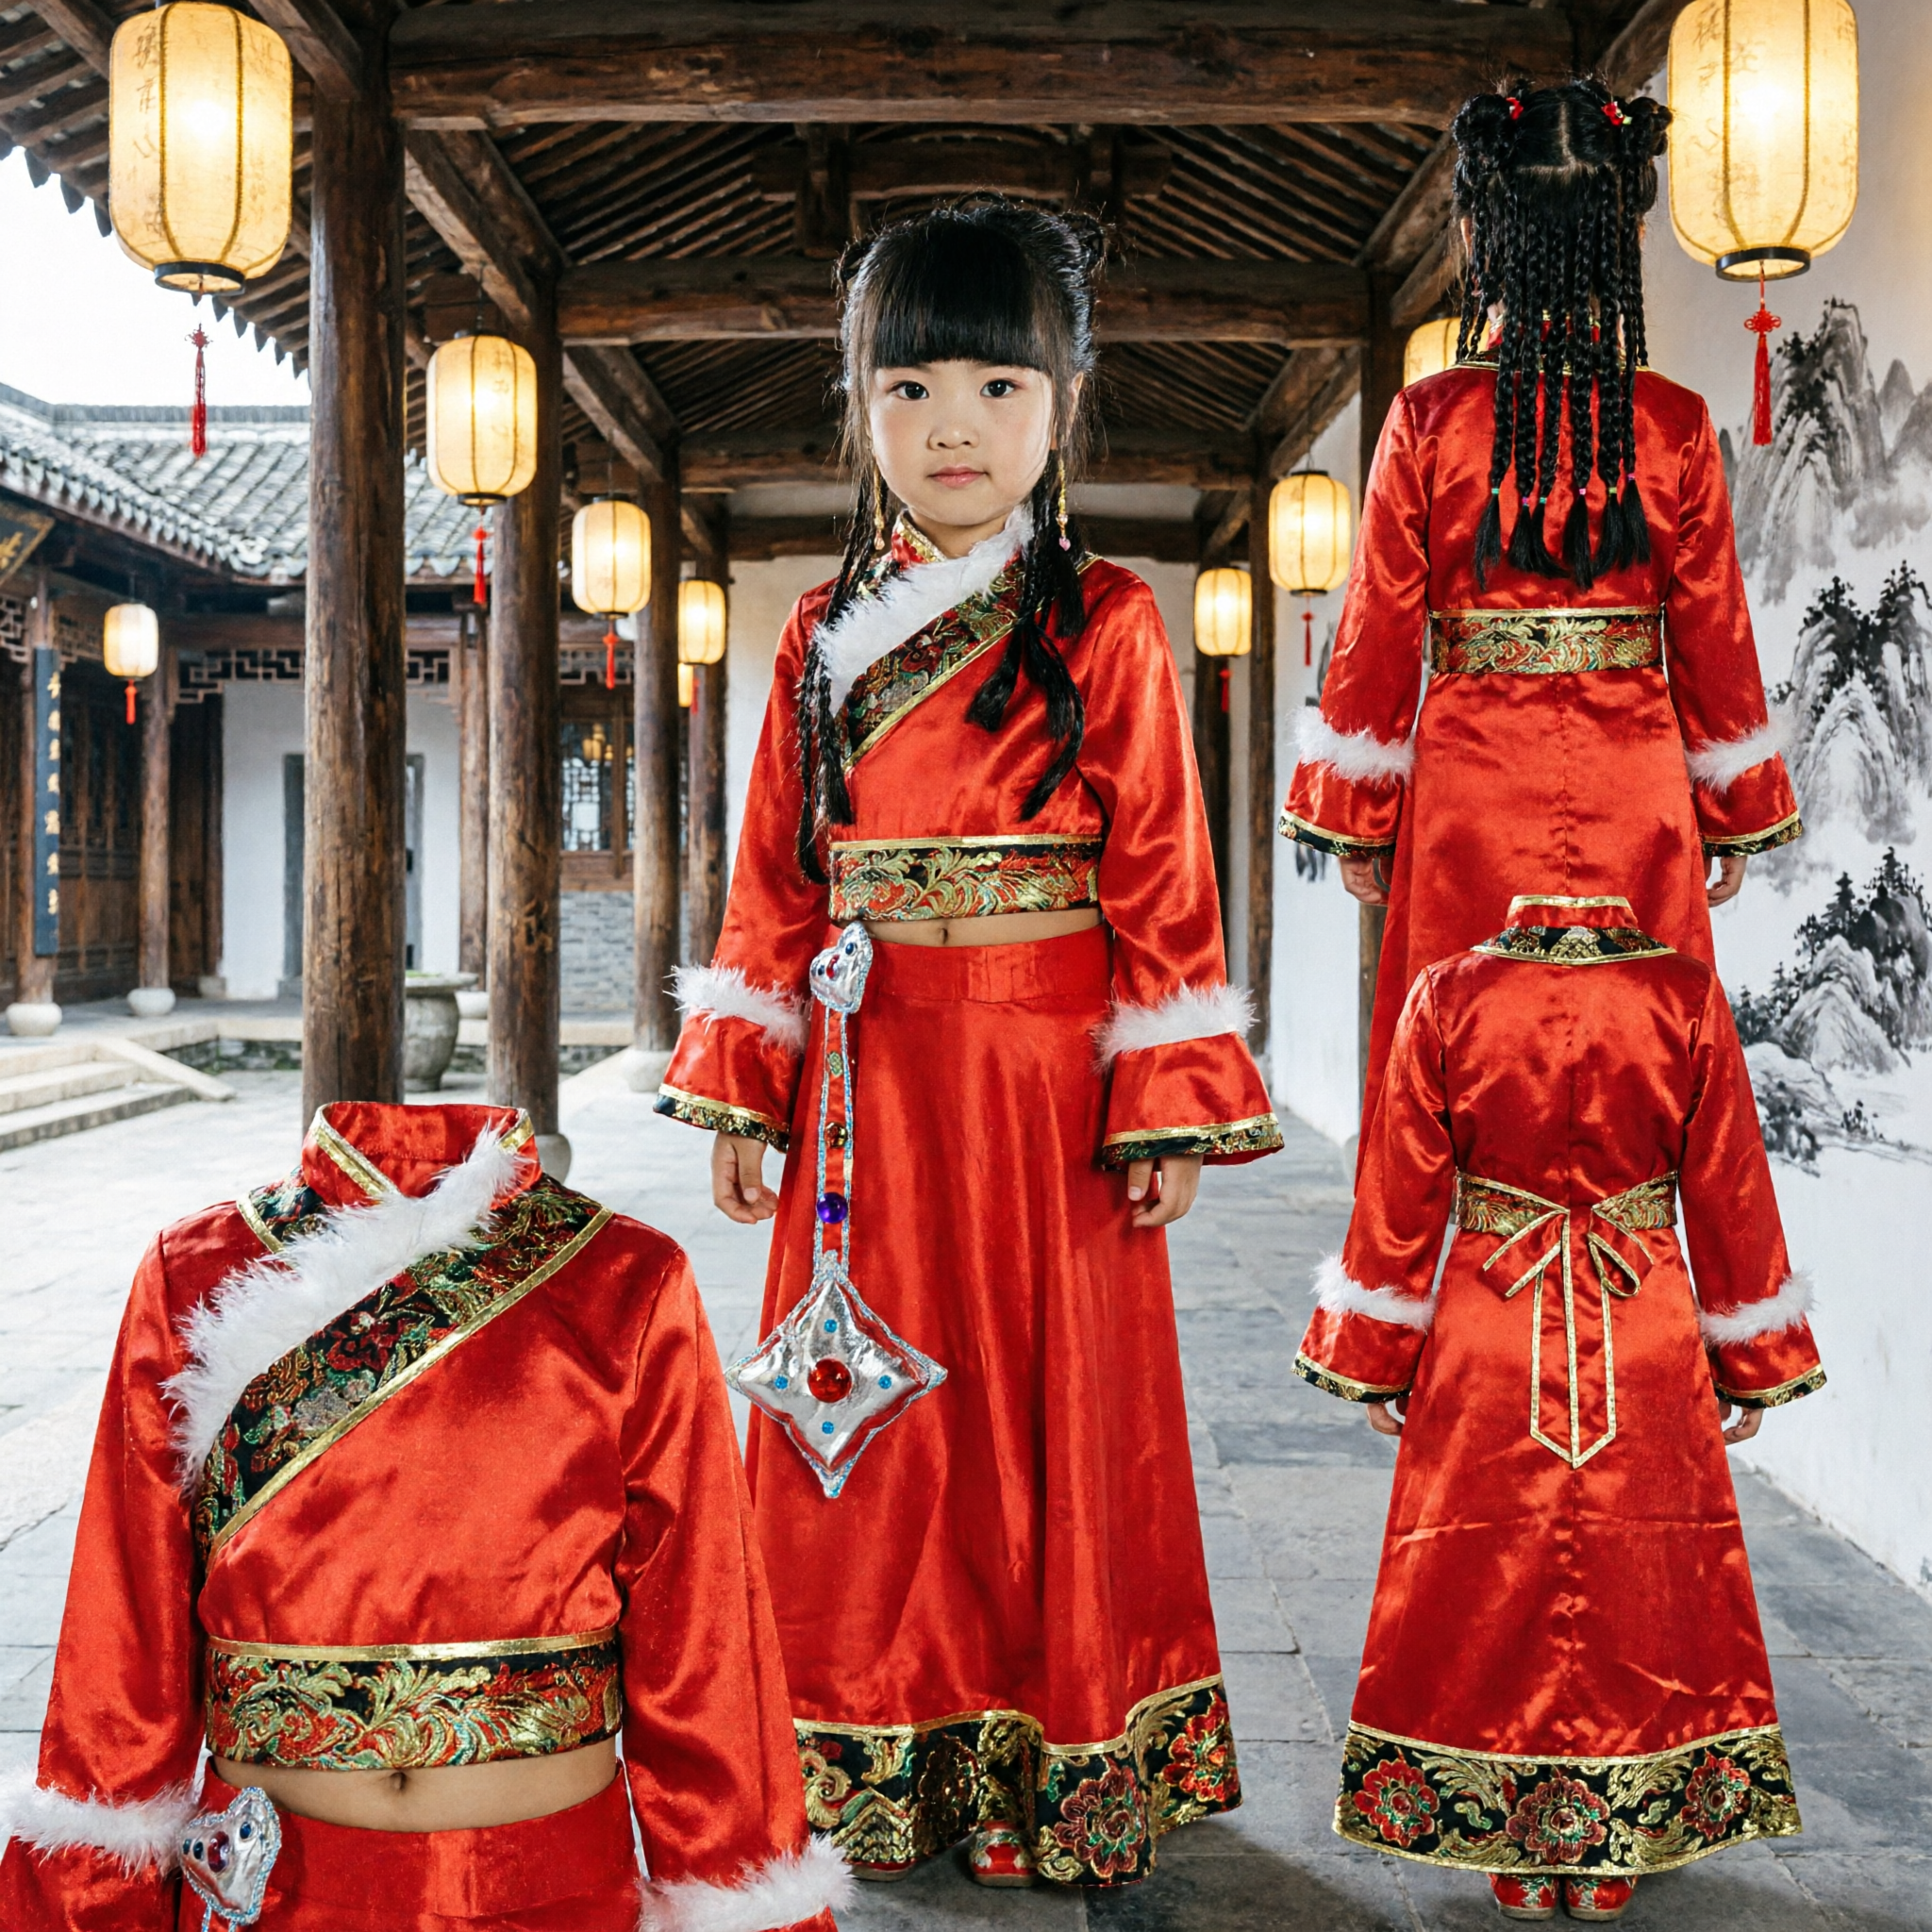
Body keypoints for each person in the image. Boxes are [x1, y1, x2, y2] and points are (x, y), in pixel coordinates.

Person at [657, 200, 1278, 1890]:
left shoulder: (1115, 626)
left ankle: (1047, 1753)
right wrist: (747, 1077)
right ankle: (865, 1751)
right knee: (854, 1426)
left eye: (998, 386)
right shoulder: (808, 644)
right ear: (855, 406)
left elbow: (1162, 878)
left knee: (1042, 1431)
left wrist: (1158, 1098)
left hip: (1045, 1088)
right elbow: (773, 883)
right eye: (910, 384)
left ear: (1063, 406)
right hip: (872, 1097)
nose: (951, 425)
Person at [0, 1102, 849, 1932]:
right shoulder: (194, 1266)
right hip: (271, 1881)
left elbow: (702, 1627)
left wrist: (740, 1882)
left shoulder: (628, 1273)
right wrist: (91, 1896)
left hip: (548, 1883)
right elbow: (125, 1621)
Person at [1280, 78, 1801, 1124]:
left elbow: (1377, 628)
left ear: (1477, 236)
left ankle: (1459, 1279)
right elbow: (1712, 637)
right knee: (1634, 1062)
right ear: (1624, 238)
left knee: (1458, 1057)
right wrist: (1728, 816)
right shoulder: (1673, 423)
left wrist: (1359, 818)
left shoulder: (1427, 419)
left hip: (1469, 781)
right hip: (1635, 785)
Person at [1295, 892, 1823, 1923]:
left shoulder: (1447, 992)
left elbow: (1398, 1186)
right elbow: (1726, 1183)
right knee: (1644, 1563)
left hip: (1488, 1312)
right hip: (1647, 1318)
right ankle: (1619, 1830)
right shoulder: (1680, 991)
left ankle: (1508, 1834)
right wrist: (1747, 1353)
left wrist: (1378, 1351)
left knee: (1485, 1562)